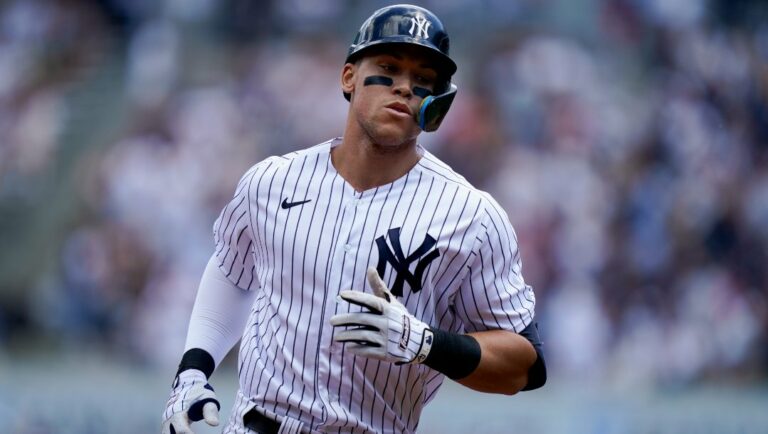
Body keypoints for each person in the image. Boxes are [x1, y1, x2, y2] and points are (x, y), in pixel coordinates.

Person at [160, 4, 546, 434]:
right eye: (388, 67)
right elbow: (233, 272)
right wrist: (193, 368)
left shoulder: (471, 216)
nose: (403, 87)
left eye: (423, 80)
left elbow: (525, 366)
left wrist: (426, 344)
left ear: (437, 103)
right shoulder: (271, 181)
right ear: (349, 77)